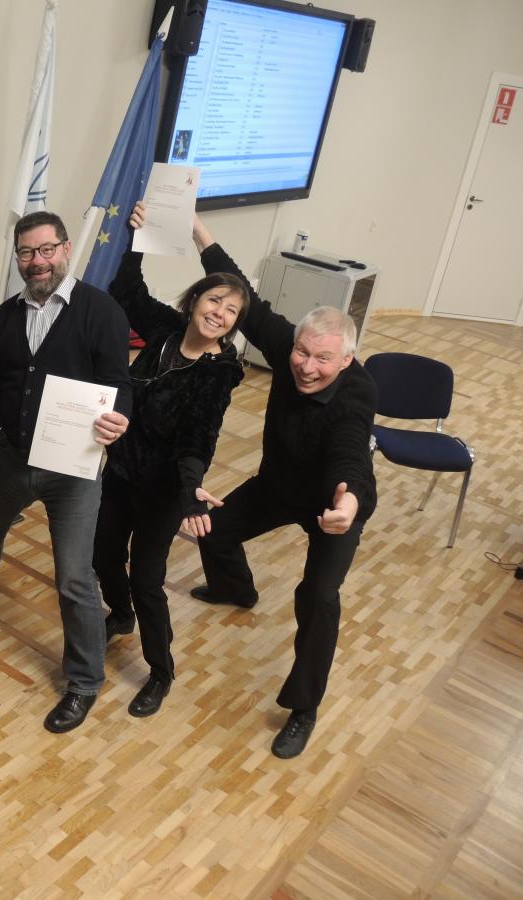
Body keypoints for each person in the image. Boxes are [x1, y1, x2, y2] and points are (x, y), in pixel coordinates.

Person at [0, 210, 133, 734]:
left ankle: (85, 682)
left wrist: (121, 418)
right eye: (27, 253)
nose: (37, 261)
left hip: (74, 472)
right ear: (18, 257)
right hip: (13, 458)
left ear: (65, 250)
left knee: (73, 577)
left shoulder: (102, 312)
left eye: (46, 250)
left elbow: (120, 385)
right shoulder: (4, 315)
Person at [187, 214, 377, 759]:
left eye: (323, 360)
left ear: (346, 360)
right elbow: (246, 297)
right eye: (302, 353)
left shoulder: (356, 394)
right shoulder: (287, 346)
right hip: (277, 485)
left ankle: (304, 707)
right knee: (210, 529)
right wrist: (202, 233)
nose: (308, 367)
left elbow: (350, 453)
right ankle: (235, 589)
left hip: (331, 503)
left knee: (318, 597)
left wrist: (349, 502)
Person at [93, 201, 248, 720]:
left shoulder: (218, 373)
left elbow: (197, 441)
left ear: (232, 326)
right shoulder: (164, 329)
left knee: (147, 580)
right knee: (102, 556)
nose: (220, 313)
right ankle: (120, 617)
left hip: (163, 490)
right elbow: (126, 294)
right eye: (216, 300)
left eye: (232, 312)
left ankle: (160, 672)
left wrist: (187, 494)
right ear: (197, 298)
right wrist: (139, 240)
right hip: (120, 472)